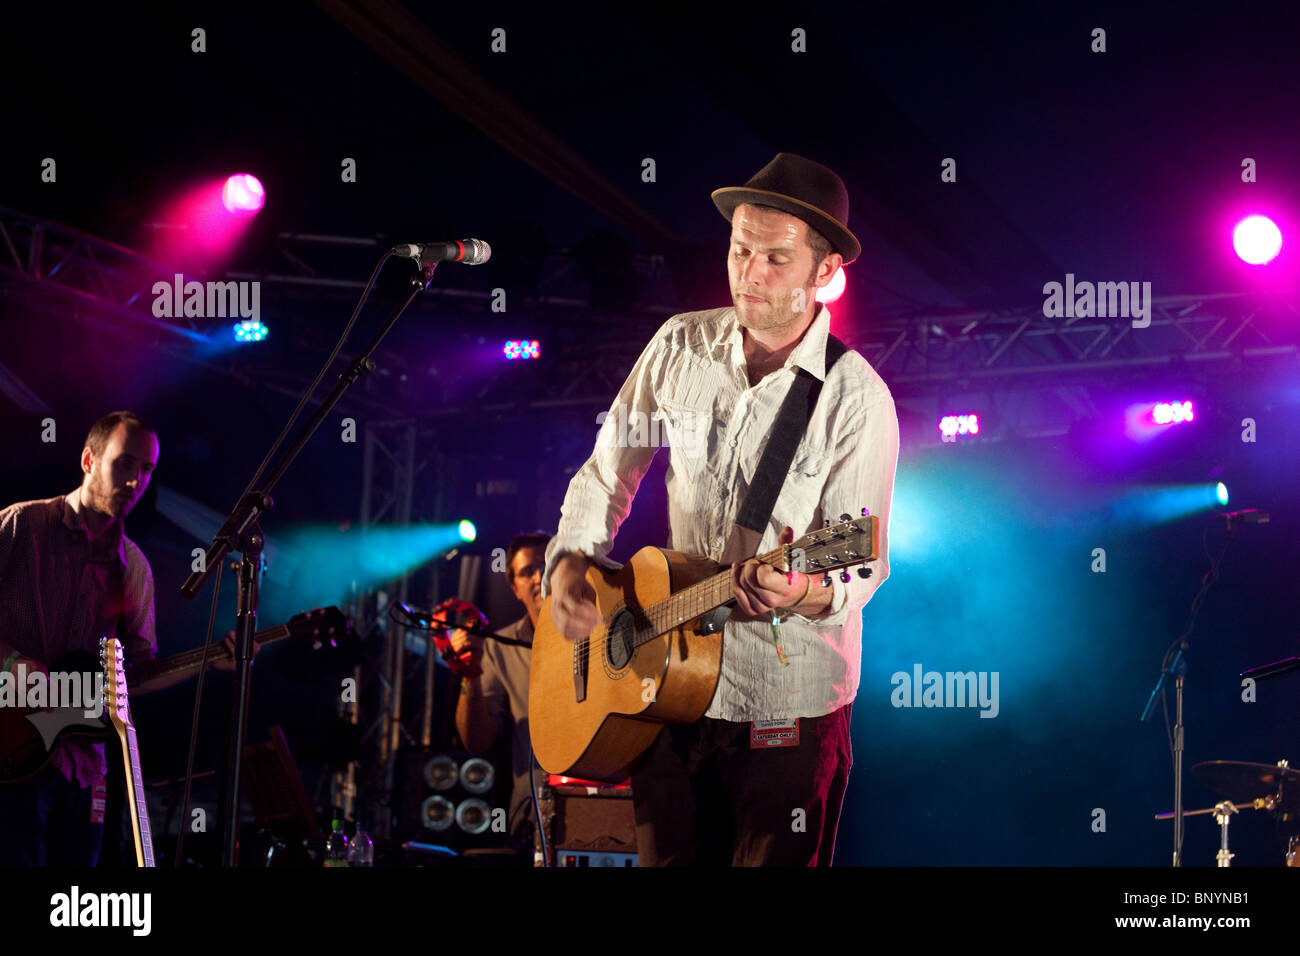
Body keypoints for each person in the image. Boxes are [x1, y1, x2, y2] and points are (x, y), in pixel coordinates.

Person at [544, 153, 900, 866]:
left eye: (776, 257)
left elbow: (859, 553)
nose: (751, 272)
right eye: (741, 250)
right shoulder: (680, 343)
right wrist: (571, 560)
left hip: (785, 700)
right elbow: (607, 469)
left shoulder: (856, 399)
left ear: (825, 272)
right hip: (666, 689)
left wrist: (800, 588)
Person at [0, 410, 240, 866]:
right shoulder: (19, 526)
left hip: (84, 768)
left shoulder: (135, 568)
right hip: (9, 751)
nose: (136, 481)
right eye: (125, 463)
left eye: (147, 469)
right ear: (89, 460)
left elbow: (135, 676)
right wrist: (12, 662)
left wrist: (209, 661)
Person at [451, 531, 550, 854]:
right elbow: (476, 742)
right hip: (532, 818)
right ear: (514, 588)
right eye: (528, 571)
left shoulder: (602, 630)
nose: (540, 577)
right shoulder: (497, 648)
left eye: (550, 565)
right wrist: (471, 675)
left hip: (608, 805)